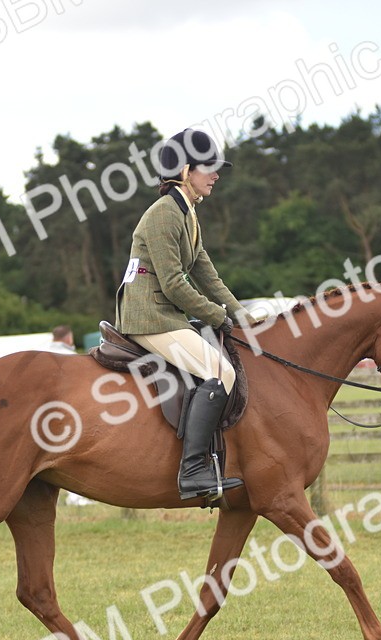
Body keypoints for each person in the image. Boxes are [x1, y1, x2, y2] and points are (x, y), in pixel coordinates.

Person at [114, 128, 268, 500]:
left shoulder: (188, 214)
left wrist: (240, 315)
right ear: (185, 170)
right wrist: (219, 317)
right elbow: (173, 285)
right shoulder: (165, 214)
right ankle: (194, 471)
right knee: (220, 371)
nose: (216, 175)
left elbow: (206, 273)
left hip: (165, 313)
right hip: (149, 316)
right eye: (209, 167)